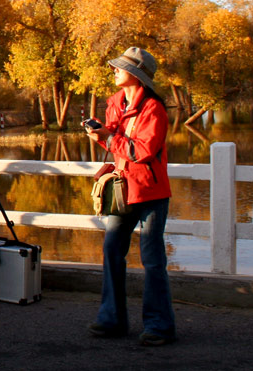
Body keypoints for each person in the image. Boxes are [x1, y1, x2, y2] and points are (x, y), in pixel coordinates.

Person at [84, 47, 176, 346]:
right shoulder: (115, 103)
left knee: (152, 261)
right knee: (112, 252)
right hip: (123, 189)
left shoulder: (154, 109)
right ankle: (112, 319)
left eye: (119, 67)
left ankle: (159, 326)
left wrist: (108, 138)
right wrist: (102, 133)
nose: (114, 70)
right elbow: (120, 146)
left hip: (150, 191)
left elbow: (143, 152)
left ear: (136, 76)